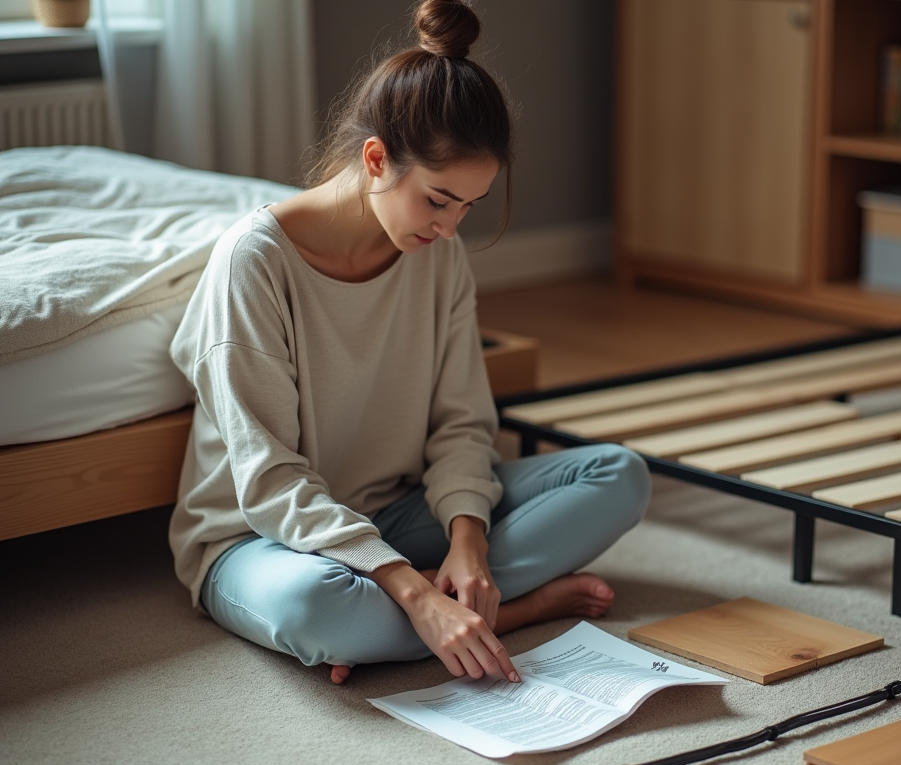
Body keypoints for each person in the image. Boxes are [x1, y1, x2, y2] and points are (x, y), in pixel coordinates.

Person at [168, 0, 650, 687]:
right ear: (375, 159)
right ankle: (506, 613)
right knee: (320, 609)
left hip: (396, 509)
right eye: (437, 198)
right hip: (261, 539)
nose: (450, 228)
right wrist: (415, 590)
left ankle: (441, 612)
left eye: (467, 206)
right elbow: (269, 481)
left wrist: (468, 544)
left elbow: (460, 421)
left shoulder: (436, 252)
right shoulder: (254, 263)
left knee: (618, 477)